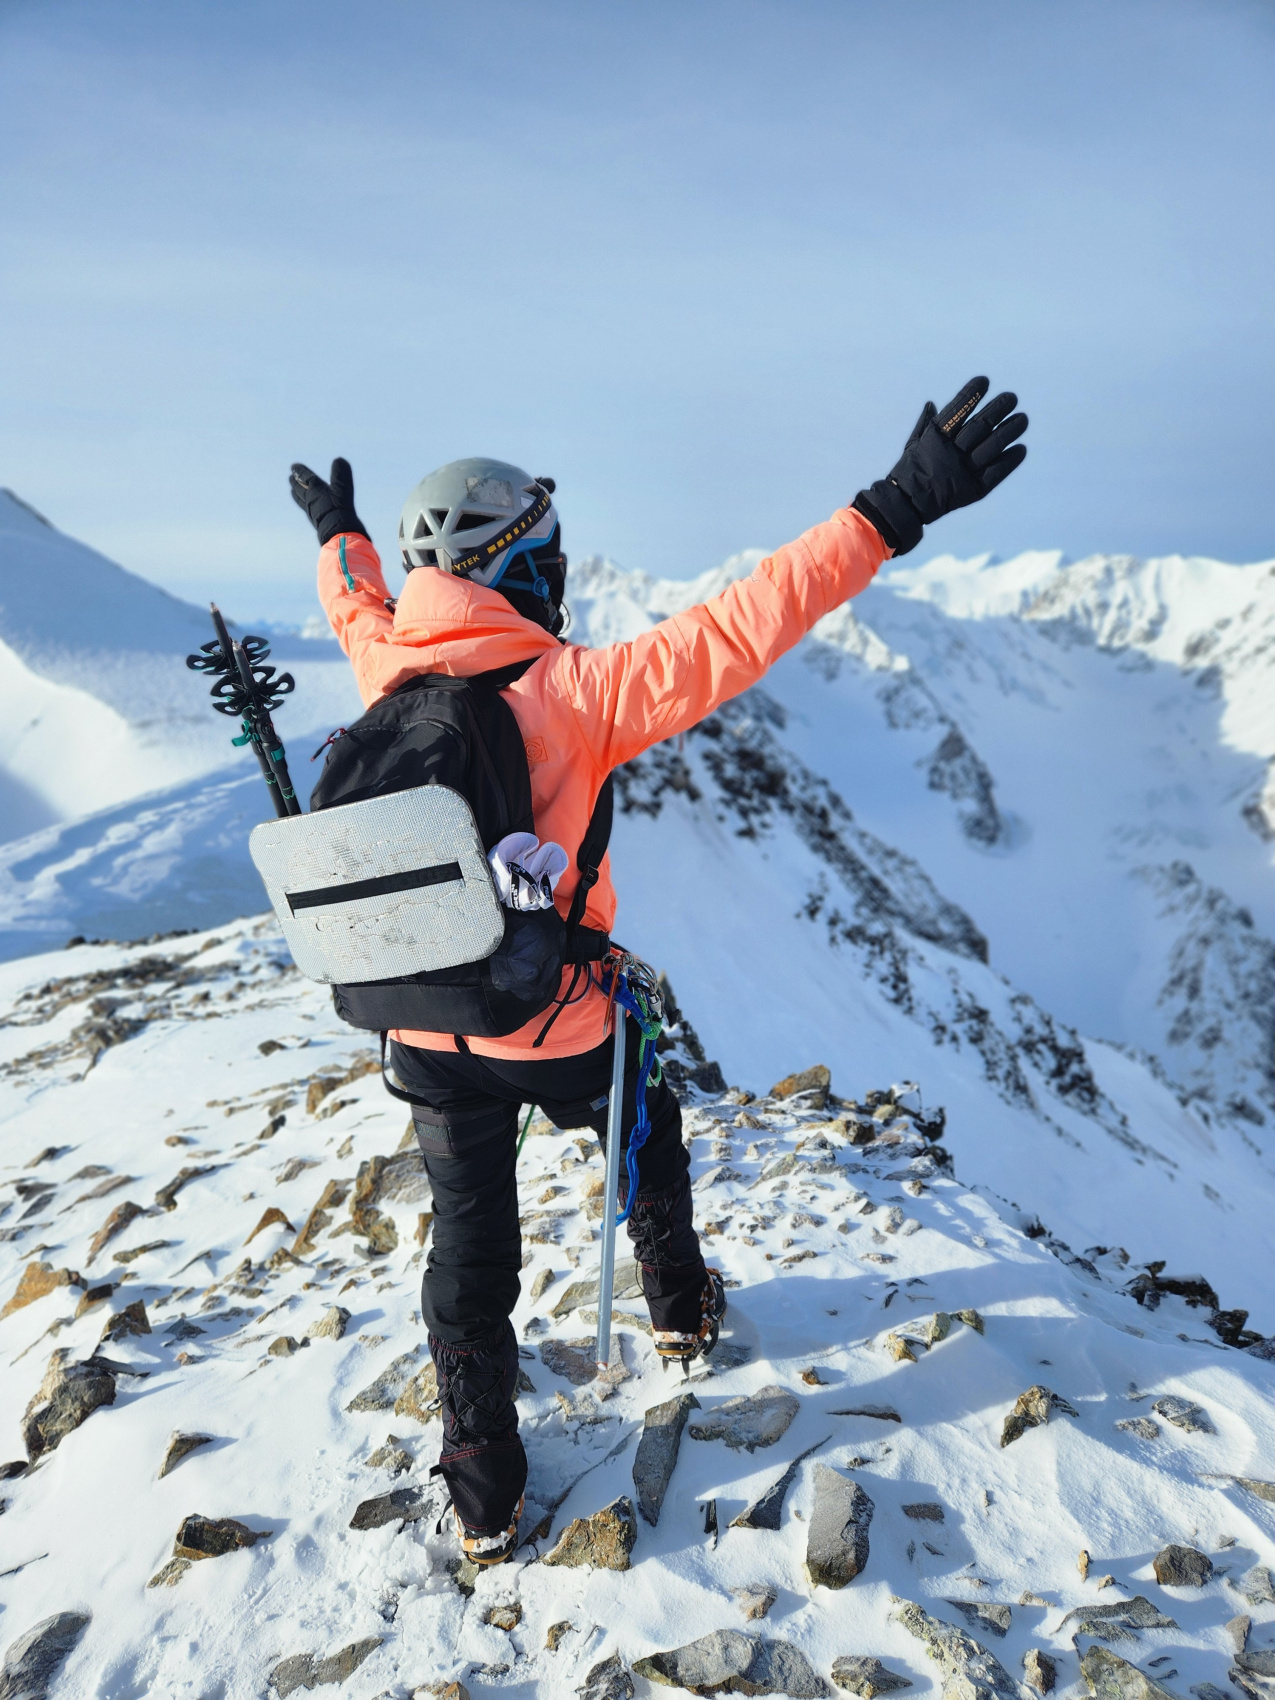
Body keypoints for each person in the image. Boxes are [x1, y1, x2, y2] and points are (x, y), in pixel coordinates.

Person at [289, 376, 1027, 1564]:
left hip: (420, 1025)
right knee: (649, 1124)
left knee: (468, 1241)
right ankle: (680, 1307)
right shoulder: (575, 695)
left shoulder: (387, 670)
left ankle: (481, 1481)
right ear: (524, 567)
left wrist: (339, 540)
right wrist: (894, 507)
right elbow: (745, 625)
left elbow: (356, 609)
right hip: (555, 1018)